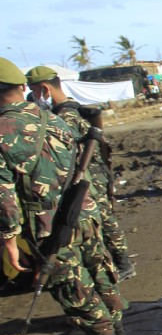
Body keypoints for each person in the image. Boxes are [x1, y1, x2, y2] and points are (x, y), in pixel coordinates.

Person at [0, 57, 130, 335]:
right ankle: (119, 329)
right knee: (100, 271)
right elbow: (84, 128)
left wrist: (9, 242)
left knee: (72, 290)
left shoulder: (2, 134)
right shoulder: (54, 120)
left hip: (49, 228)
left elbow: (5, 201)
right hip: (83, 211)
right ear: (19, 87)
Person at [25, 65, 135, 280]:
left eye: (34, 90)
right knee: (100, 220)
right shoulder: (67, 110)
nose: (32, 96)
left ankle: (122, 265)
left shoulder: (67, 116)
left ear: (45, 89)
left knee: (103, 220)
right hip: (91, 175)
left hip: (90, 176)